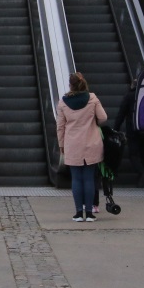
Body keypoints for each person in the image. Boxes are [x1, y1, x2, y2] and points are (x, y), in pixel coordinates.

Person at [56, 72, 108, 222]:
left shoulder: (63, 102)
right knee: (89, 178)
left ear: (70, 85)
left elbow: (60, 127)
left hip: (72, 144)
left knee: (77, 179)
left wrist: (61, 144)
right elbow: (103, 117)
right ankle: (90, 213)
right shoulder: (92, 98)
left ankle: (79, 213)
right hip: (91, 143)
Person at [113, 78, 144, 187]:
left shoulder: (129, 96)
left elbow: (121, 114)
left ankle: (142, 173)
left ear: (132, 85)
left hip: (133, 130)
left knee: (134, 154)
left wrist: (115, 129)